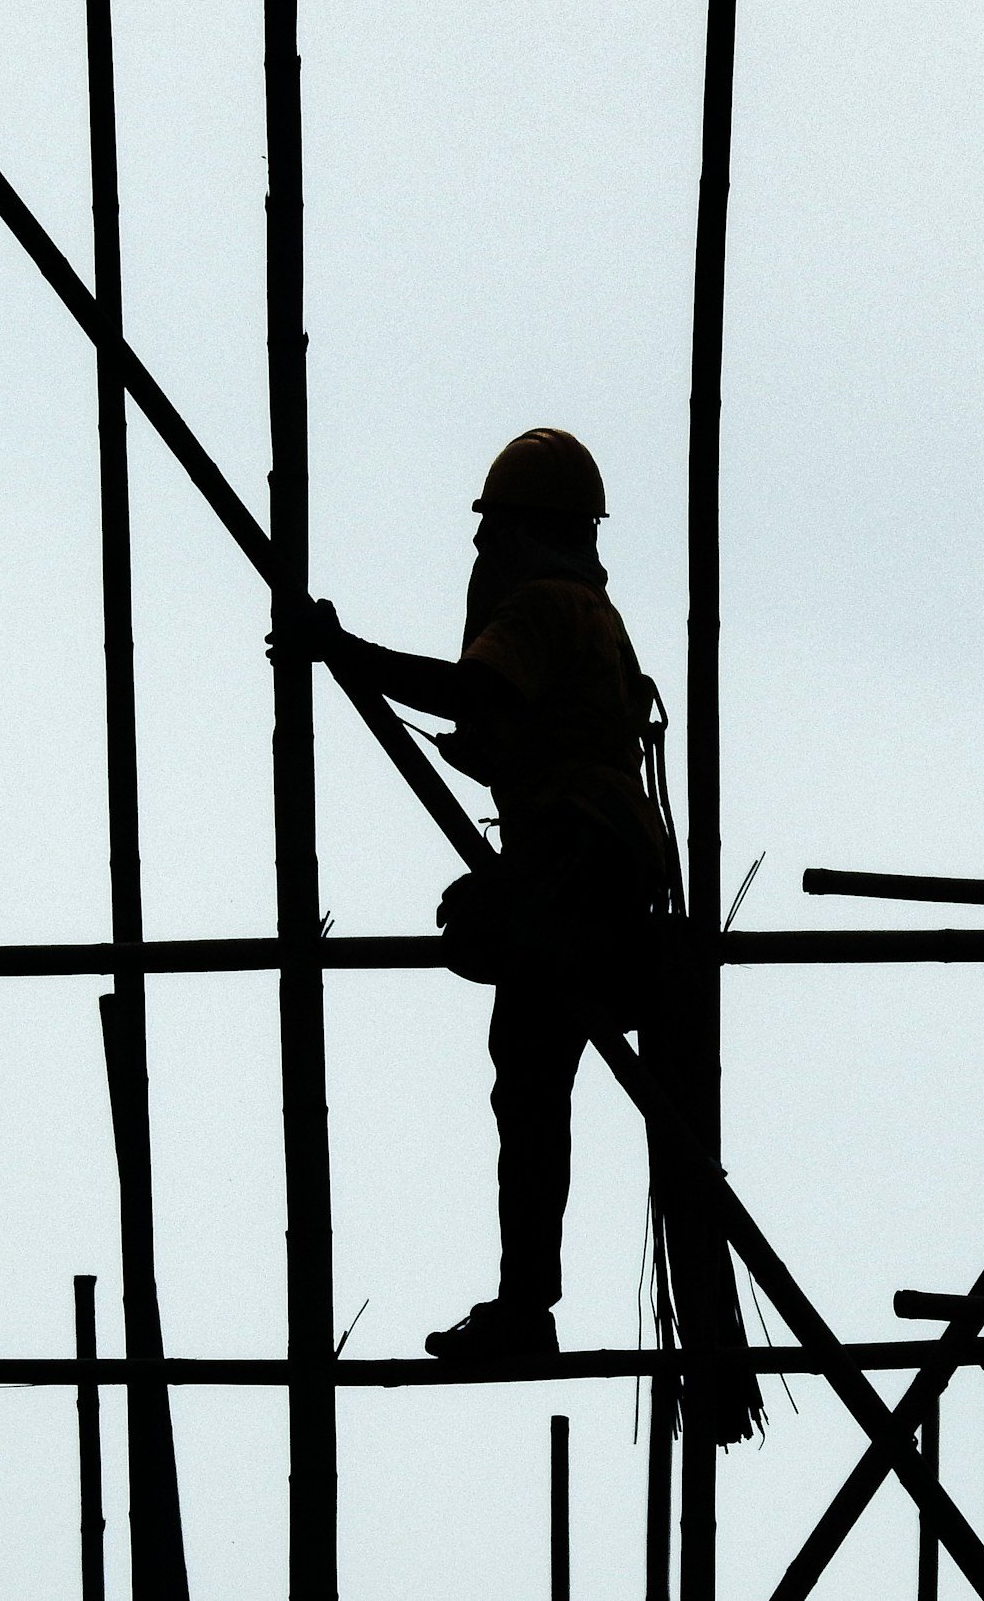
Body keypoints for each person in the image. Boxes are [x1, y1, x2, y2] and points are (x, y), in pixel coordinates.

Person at [300, 428, 674, 1358]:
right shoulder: (594, 614)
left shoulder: (545, 605)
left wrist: (343, 652)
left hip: (578, 875)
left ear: (521, 530)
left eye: (489, 530)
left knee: (487, 966)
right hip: (608, 877)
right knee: (531, 1083)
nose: (478, 553)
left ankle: (525, 1304)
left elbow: (470, 692)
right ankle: (525, 1303)